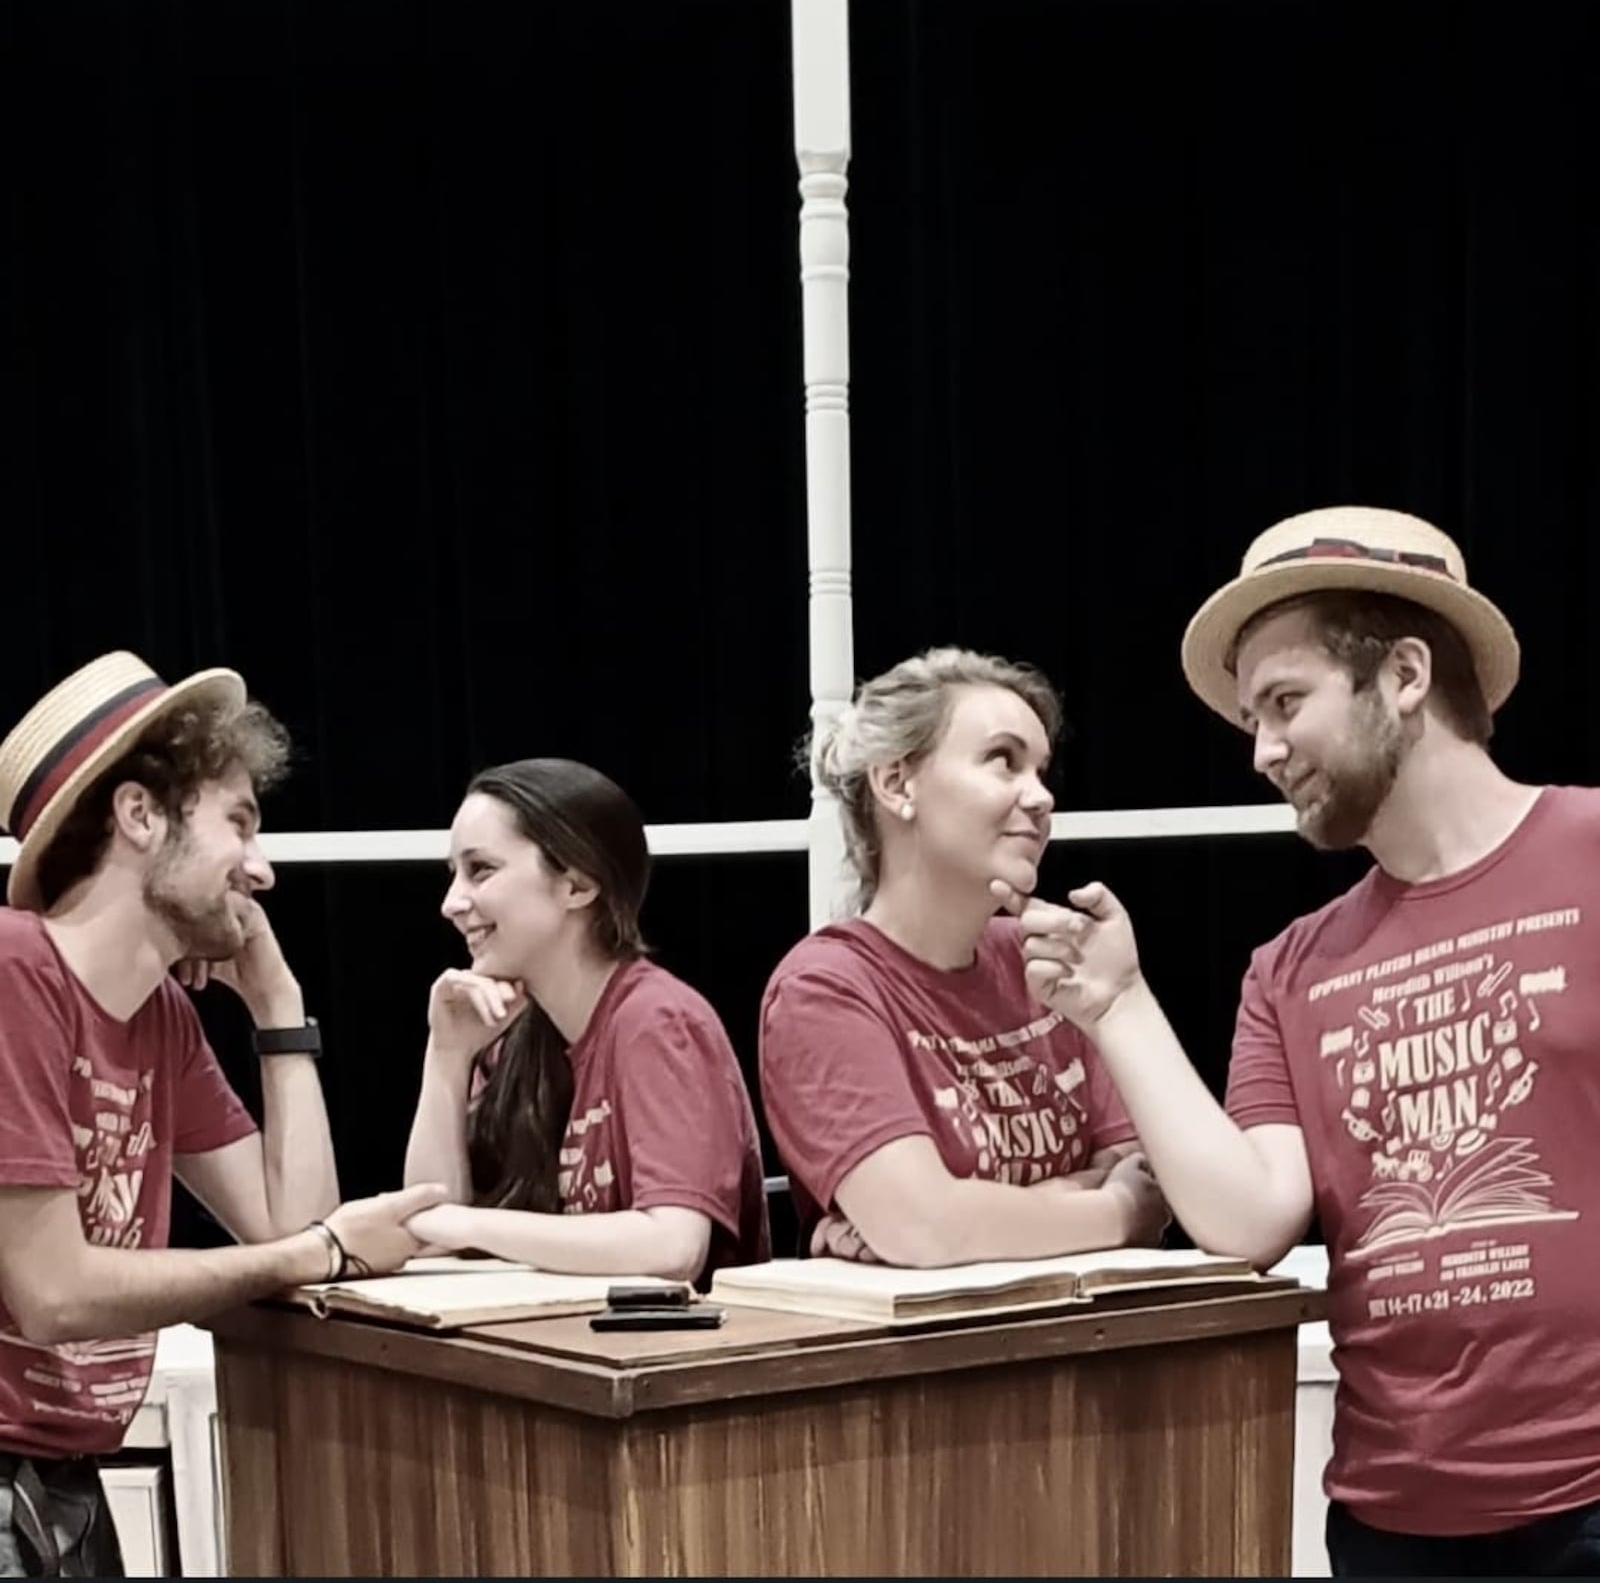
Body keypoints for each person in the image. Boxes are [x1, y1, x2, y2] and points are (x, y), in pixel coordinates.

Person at [1008, 506, 1600, 1576]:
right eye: (1250, 719)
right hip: (1386, 1520)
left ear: (1406, 673)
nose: (1263, 751)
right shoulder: (1291, 964)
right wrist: (1119, 1005)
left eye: (1285, 703)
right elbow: (1248, 1219)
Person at [0, 651, 443, 1579]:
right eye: (239, 823)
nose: (264, 868)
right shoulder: (13, 972)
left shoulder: (161, 1018)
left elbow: (295, 1215)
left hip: (60, 1483)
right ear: (138, 815)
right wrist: (312, 1256)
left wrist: (279, 1006)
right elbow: (54, 1294)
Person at [757, 646, 1168, 1267]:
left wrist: (970, 1218)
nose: (1041, 798)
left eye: (1041, 771)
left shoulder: (1046, 957)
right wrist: (1112, 1210)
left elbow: (1151, 1175)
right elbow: (927, 1228)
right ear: (897, 783)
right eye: (1003, 761)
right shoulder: (825, 989)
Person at [402, 757, 770, 1285]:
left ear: (577, 885)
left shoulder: (657, 1020)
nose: (451, 903)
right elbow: (432, 1230)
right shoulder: (515, 1037)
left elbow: (672, 1246)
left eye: (480, 869)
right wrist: (447, 1058)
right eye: (453, 874)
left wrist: (471, 1226)